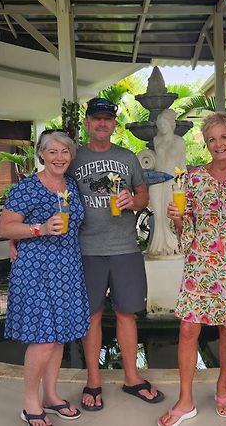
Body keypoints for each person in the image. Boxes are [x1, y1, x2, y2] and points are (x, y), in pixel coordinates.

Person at [158, 112, 226, 426]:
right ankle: (185, 398)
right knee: (188, 329)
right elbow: (185, 226)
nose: (218, 144)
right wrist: (176, 217)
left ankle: (223, 386)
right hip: (200, 263)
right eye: (212, 139)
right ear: (206, 142)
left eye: (223, 137)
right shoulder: (192, 178)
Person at [68, 97, 164, 411]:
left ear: (113, 124)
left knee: (127, 313)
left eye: (107, 119)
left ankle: (132, 378)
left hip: (125, 246)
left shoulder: (127, 158)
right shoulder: (73, 158)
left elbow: (143, 195)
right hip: (86, 249)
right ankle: (93, 380)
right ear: (87, 123)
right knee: (92, 315)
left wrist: (133, 202)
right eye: (96, 118)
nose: (102, 123)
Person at [0, 131, 90, 426]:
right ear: (41, 155)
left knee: (59, 336)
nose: (59, 157)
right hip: (36, 271)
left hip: (67, 269)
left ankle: (51, 396)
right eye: (52, 152)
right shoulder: (27, 188)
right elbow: (4, 228)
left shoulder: (71, 187)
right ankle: (30, 403)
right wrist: (38, 229)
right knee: (42, 339)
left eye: (64, 152)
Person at [148, 108, 186, 256]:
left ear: (171, 124)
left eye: (164, 124)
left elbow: (182, 165)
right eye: (160, 124)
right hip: (156, 181)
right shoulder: (156, 140)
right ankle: (158, 246)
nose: (162, 127)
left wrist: (181, 186)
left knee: (170, 214)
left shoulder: (179, 141)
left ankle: (172, 244)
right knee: (158, 215)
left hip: (172, 183)